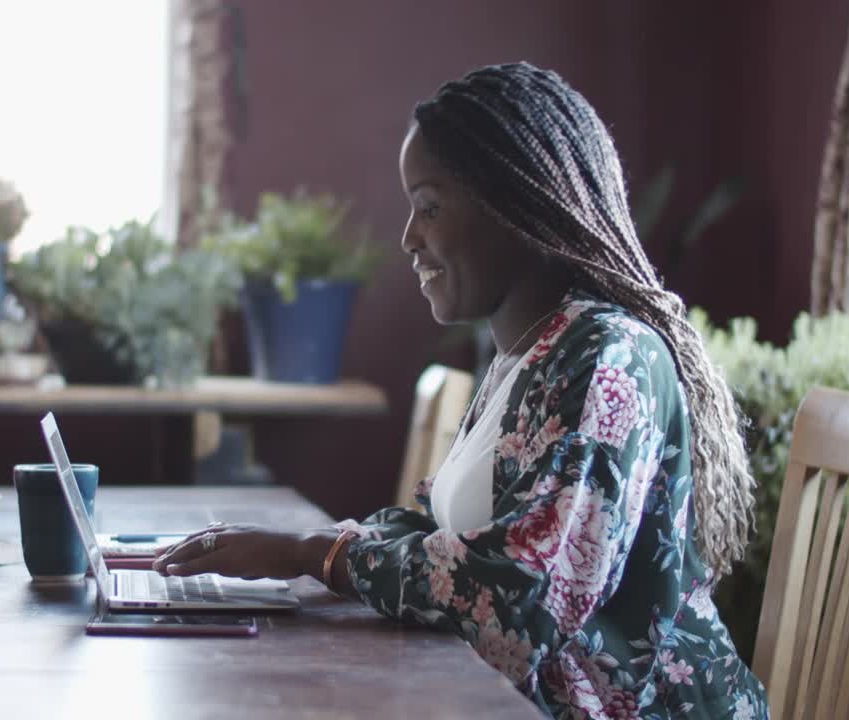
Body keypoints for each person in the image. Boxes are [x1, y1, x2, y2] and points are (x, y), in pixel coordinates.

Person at [153, 61, 769, 719]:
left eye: (430, 207)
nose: (409, 238)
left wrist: (316, 554)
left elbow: (518, 607)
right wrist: (298, 549)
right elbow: (461, 536)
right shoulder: (529, 352)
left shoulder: (608, 356)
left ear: (515, 203)